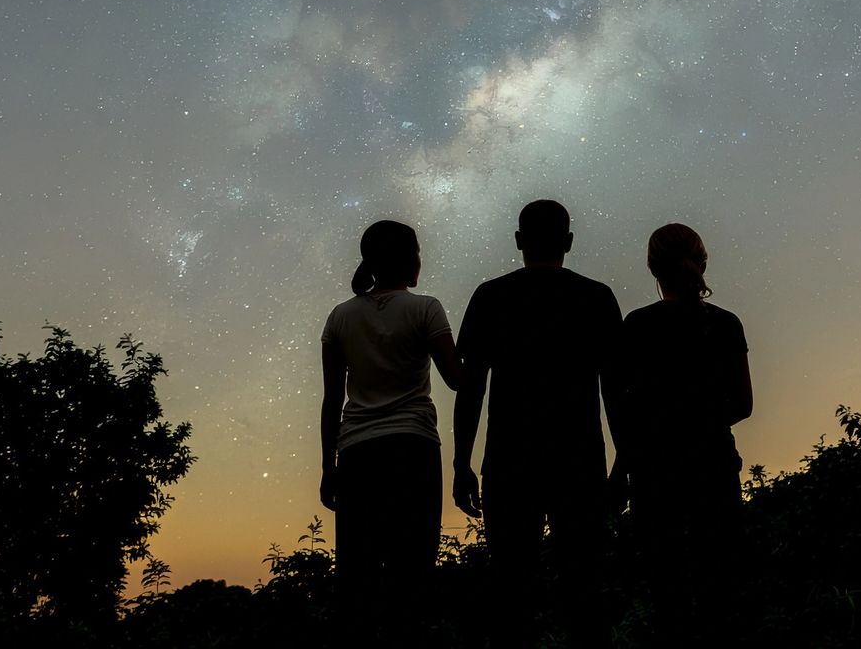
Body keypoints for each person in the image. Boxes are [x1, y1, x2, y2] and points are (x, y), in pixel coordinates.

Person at [452, 199, 623, 648]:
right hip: (581, 461)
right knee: (584, 592)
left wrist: (461, 462)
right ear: (568, 241)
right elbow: (616, 392)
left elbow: (471, 389)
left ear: (517, 241)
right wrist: (622, 465)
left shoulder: (490, 296)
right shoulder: (596, 297)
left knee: (511, 592)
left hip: (509, 462)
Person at [320, 220, 460, 646]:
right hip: (412, 448)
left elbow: (331, 402)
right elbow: (456, 378)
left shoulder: (340, 317)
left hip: (358, 453)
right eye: (417, 252)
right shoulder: (425, 309)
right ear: (407, 259)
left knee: (358, 574)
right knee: (413, 570)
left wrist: (329, 468)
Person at [612, 222, 753, 645]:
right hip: (714, 464)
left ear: (653, 269)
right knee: (721, 590)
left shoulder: (636, 326)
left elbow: (627, 412)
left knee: (667, 595)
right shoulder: (726, 323)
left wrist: (621, 473)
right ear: (702, 261)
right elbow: (743, 405)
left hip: (655, 474)